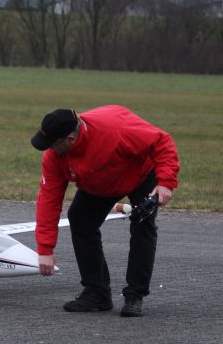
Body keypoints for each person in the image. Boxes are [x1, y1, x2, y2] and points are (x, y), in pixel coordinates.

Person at [30, 106, 180, 317]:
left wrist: (166, 183)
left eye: (53, 144)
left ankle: (135, 294)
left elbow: (162, 141)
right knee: (80, 219)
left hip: (140, 173)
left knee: (142, 224)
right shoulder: (54, 157)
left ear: (70, 139)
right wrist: (45, 250)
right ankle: (97, 293)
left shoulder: (116, 130)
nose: (50, 150)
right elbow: (48, 200)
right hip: (99, 181)